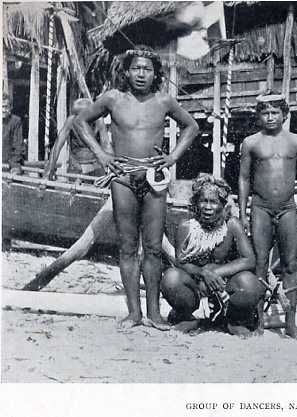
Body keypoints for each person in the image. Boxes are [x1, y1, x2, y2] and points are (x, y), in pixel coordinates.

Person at [74, 45, 200, 330]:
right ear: (127, 72)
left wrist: (172, 157)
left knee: (153, 248)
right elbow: (80, 122)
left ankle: (154, 313)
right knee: (128, 247)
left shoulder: (164, 101)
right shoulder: (112, 98)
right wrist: (102, 155)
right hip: (123, 177)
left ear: (156, 74)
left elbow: (191, 127)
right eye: (136, 69)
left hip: (154, 178)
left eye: (147, 69)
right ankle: (134, 313)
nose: (141, 74)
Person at [238, 91, 297, 340]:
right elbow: (244, 178)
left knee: (290, 264)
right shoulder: (251, 142)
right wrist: (243, 213)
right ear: (258, 116)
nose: (270, 117)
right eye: (265, 113)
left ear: (285, 114)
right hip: (260, 208)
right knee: (260, 263)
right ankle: (258, 321)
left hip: (288, 207)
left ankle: (290, 323)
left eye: (275, 112)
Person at [161, 174, 264, 337]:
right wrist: (202, 273)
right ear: (196, 203)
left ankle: (233, 320)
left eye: (213, 202)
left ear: (222, 204)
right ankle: (187, 317)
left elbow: (249, 260)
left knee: (249, 283)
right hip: (195, 287)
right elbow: (180, 262)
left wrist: (215, 273)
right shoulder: (186, 227)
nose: (208, 207)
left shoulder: (231, 225)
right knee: (171, 278)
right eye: (203, 201)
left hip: (225, 286)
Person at [44, 98, 109, 180]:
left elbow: (106, 143)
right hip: (77, 165)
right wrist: (50, 168)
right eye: (76, 115)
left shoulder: (99, 120)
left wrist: (110, 167)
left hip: (96, 164)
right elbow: (58, 144)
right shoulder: (71, 120)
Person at [2, 94, 25, 175]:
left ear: (10, 107)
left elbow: (18, 146)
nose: (3, 110)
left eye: (5, 107)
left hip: (9, 164)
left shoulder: (15, 121)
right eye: (1, 107)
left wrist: (14, 164)